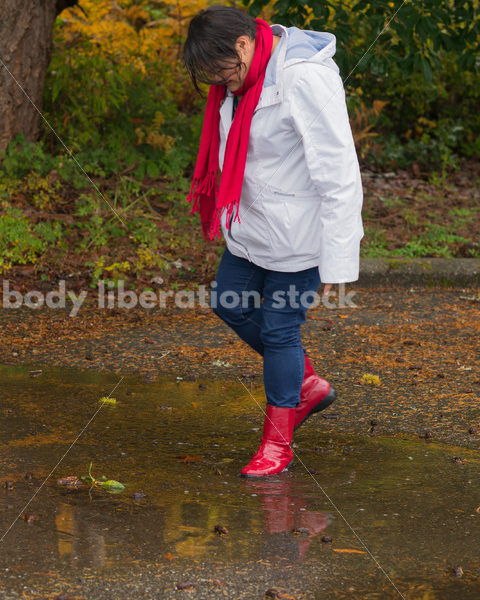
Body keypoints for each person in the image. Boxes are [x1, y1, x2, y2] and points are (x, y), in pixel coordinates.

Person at [182, 6, 364, 477]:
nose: (219, 82)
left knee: (282, 330)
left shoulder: (303, 78)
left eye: (221, 70)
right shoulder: (238, 78)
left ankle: (277, 443)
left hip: (300, 236)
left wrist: (339, 263)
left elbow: (340, 173)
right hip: (251, 228)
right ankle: (307, 384)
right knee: (228, 302)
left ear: (243, 45)